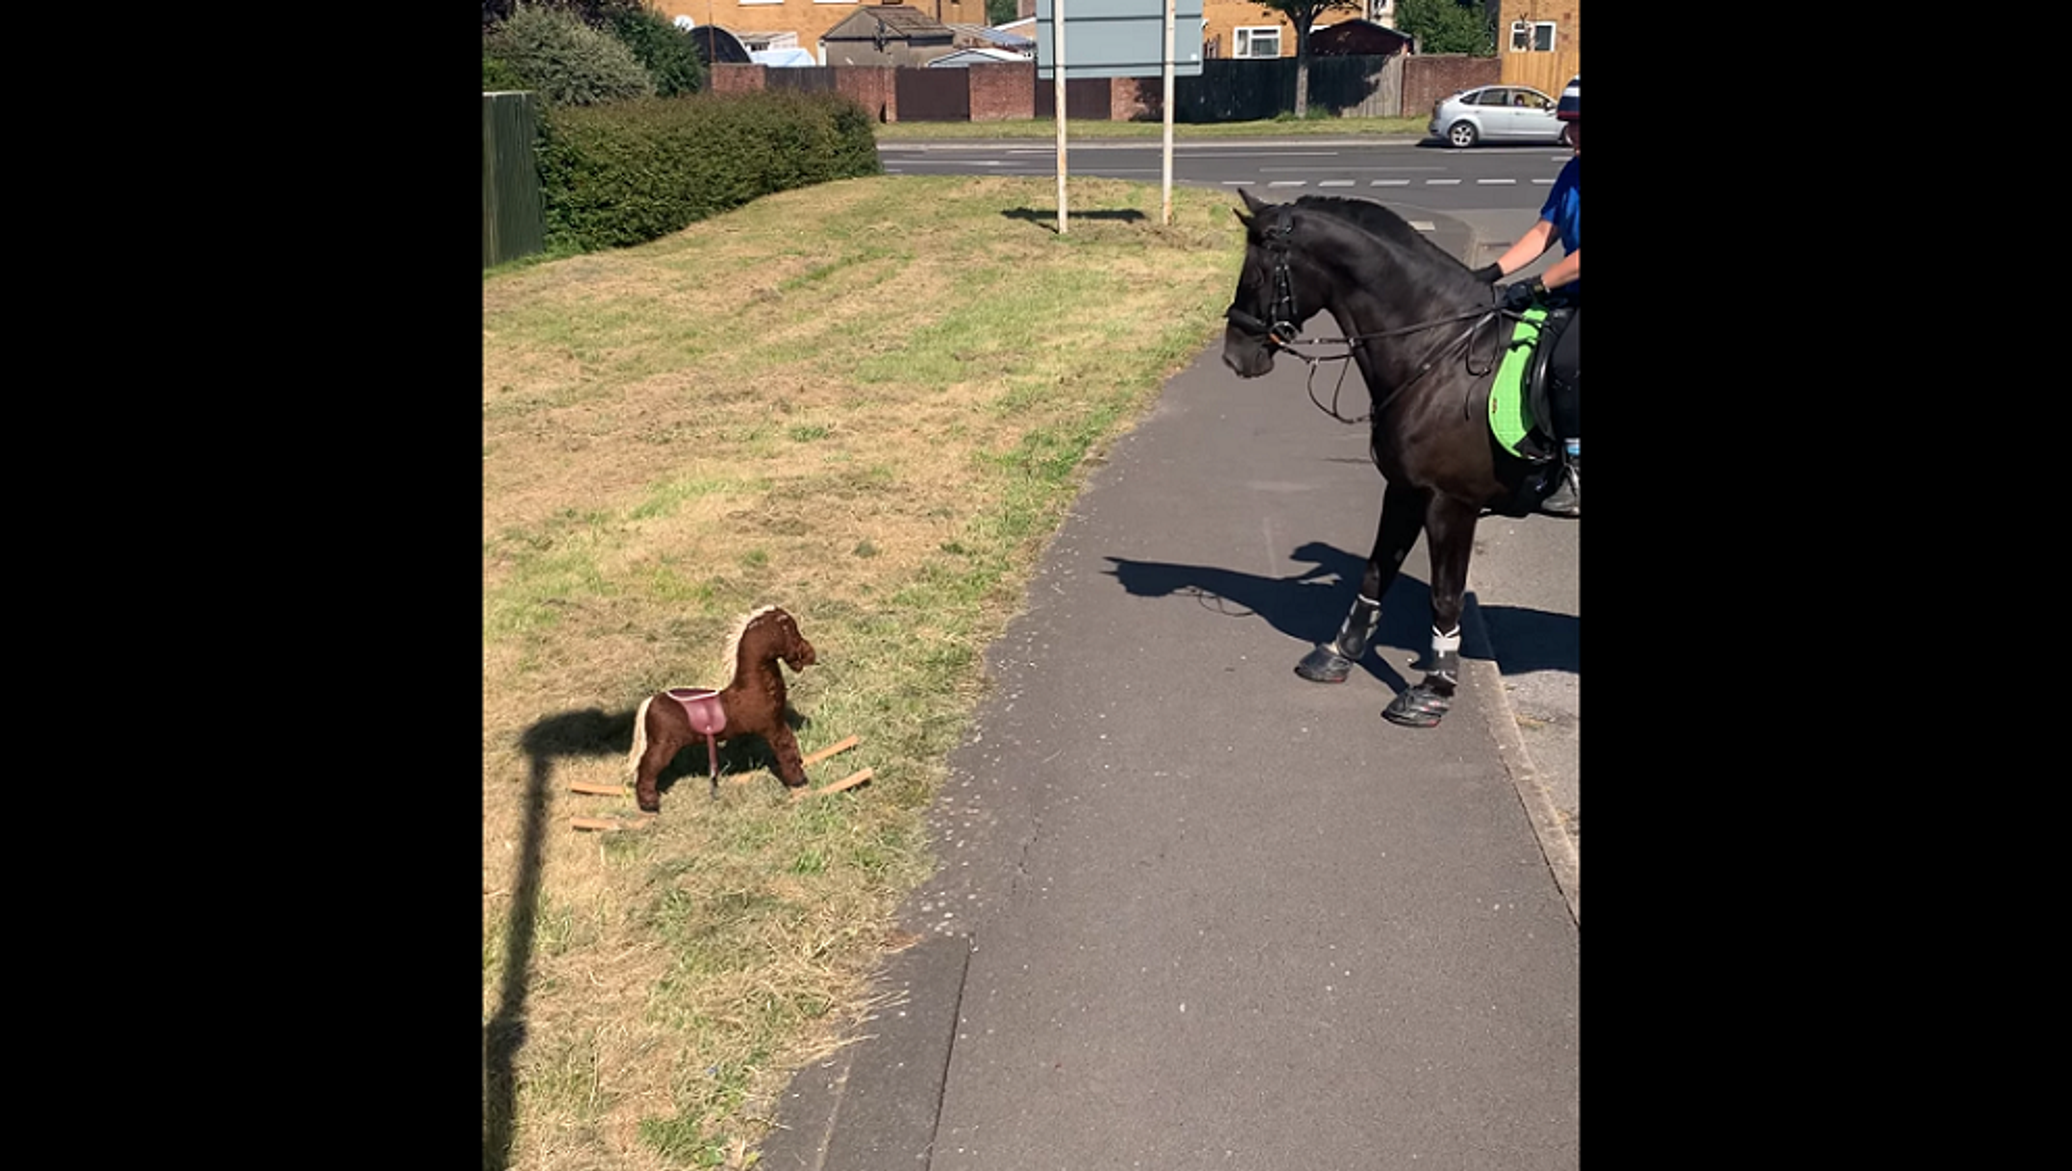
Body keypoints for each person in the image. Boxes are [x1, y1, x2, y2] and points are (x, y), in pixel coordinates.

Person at [1471, 75, 1580, 517]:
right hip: (1571, 292)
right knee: (1520, 341)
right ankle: (1539, 457)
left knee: (1565, 363)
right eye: (1569, 124)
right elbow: (1542, 234)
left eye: (1579, 124)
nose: (1571, 133)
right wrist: (1489, 273)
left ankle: (1575, 471)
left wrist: (1537, 285)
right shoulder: (1573, 171)